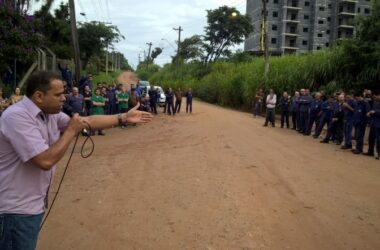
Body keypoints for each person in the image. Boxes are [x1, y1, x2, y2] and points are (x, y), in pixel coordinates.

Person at [0, 71, 153, 250]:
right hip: (15, 211)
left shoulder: (49, 113)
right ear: (39, 96)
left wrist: (122, 118)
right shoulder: (16, 116)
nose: (63, 98)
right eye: (58, 95)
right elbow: (44, 161)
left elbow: (86, 121)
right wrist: (71, 131)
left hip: (31, 205)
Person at [366, 92, 380, 160]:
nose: (375, 97)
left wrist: (375, 112)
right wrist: (370, 113)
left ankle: (378, 153)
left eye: (376, 96)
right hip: (373, 123)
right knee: (371, 138)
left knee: (379, 139)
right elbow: (373, 110)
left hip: (378, 124)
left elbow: (376, 112)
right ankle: (370, 151)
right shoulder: (375, 102)